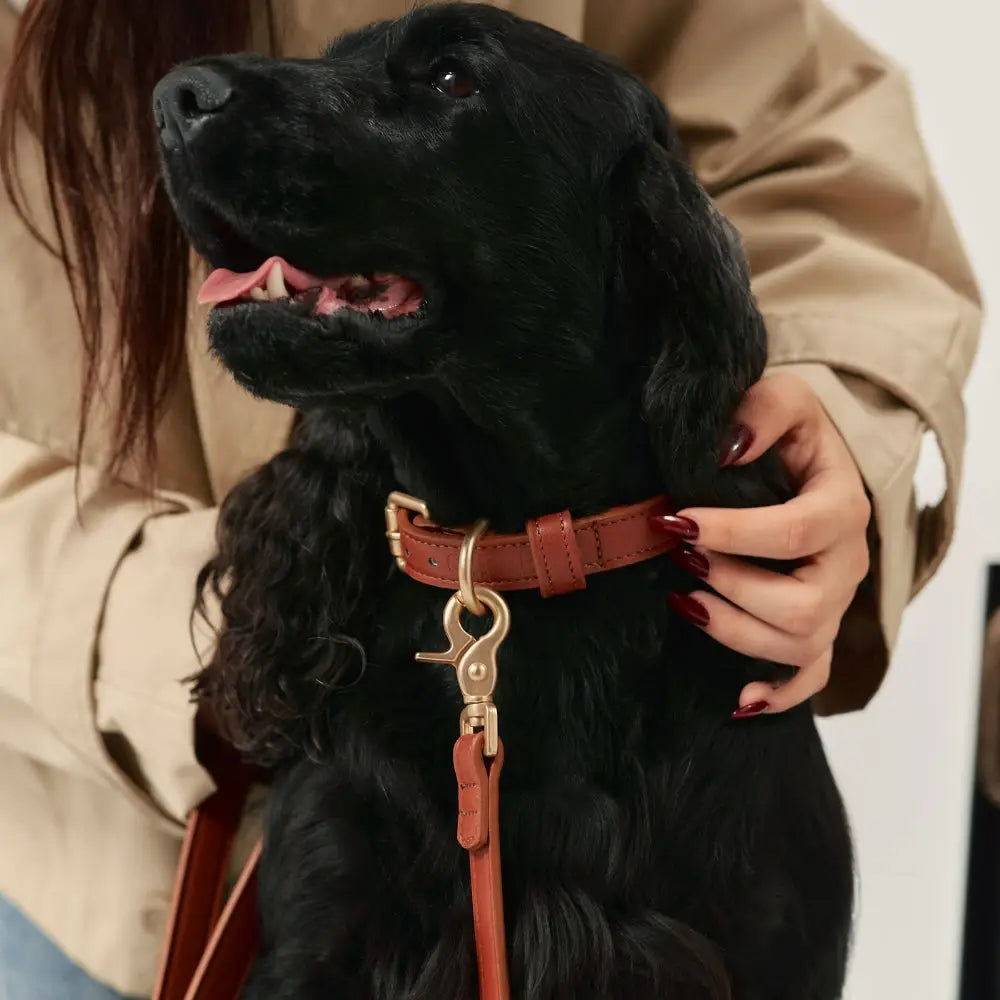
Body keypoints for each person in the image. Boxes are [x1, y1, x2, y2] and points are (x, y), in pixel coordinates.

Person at [0, 0, 980, 997]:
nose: (192, 102)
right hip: (104, 856)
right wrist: (191, 623)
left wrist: (824, 429)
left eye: (446, 83)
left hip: (672, 702)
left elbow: (809, 144)